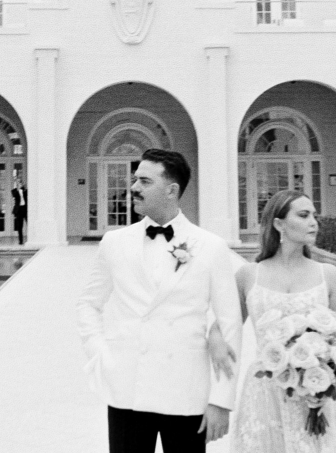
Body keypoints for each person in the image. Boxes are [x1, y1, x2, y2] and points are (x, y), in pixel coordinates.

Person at [76, 148, 242, 453]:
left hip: (185, 393)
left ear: (171, 190)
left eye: (144, 181)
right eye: (135, 179)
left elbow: (230, 323)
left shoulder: (210, 247)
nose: (134, 187)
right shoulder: (114, 242)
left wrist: (221, 399)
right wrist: (100, 351)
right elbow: (88, 303)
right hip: (127, 389)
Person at [229, 189, 336, 453]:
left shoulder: (329, 275)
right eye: (304, 215)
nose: (314, 223)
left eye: (314, 216)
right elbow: (226, 330)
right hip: (264, 393)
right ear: (278, 224)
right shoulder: (248, 275)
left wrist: (325, 384)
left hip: (314, 393)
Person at [11, 180, 27, 245]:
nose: (19, 184)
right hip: (19, 210)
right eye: (18, 183)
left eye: (20, 183)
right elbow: (14, 195)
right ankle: (20, 241)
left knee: (30, 224)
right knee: (19, 227)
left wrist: (23, 188)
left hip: (25, 209)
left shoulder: (25, 191)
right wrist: (16, 188)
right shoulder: (14, 191)